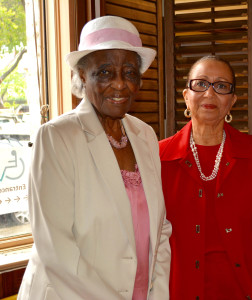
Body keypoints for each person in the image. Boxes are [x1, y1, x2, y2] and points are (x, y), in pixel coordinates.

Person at [18, 16, 171, 300]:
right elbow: (57, 250)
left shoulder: (146, 135)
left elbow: (160, 231)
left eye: (129, 72)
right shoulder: (56, 137)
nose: (119, 85)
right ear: (81, 76)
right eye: (104, 72)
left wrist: (157, 295)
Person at [159, 55, 252, 300]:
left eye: (221, 86)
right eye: (200, 84)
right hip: (179, 292)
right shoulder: (157, 157)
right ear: (186, 96)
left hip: (246, 291)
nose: (209, 94)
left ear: (232, 102)